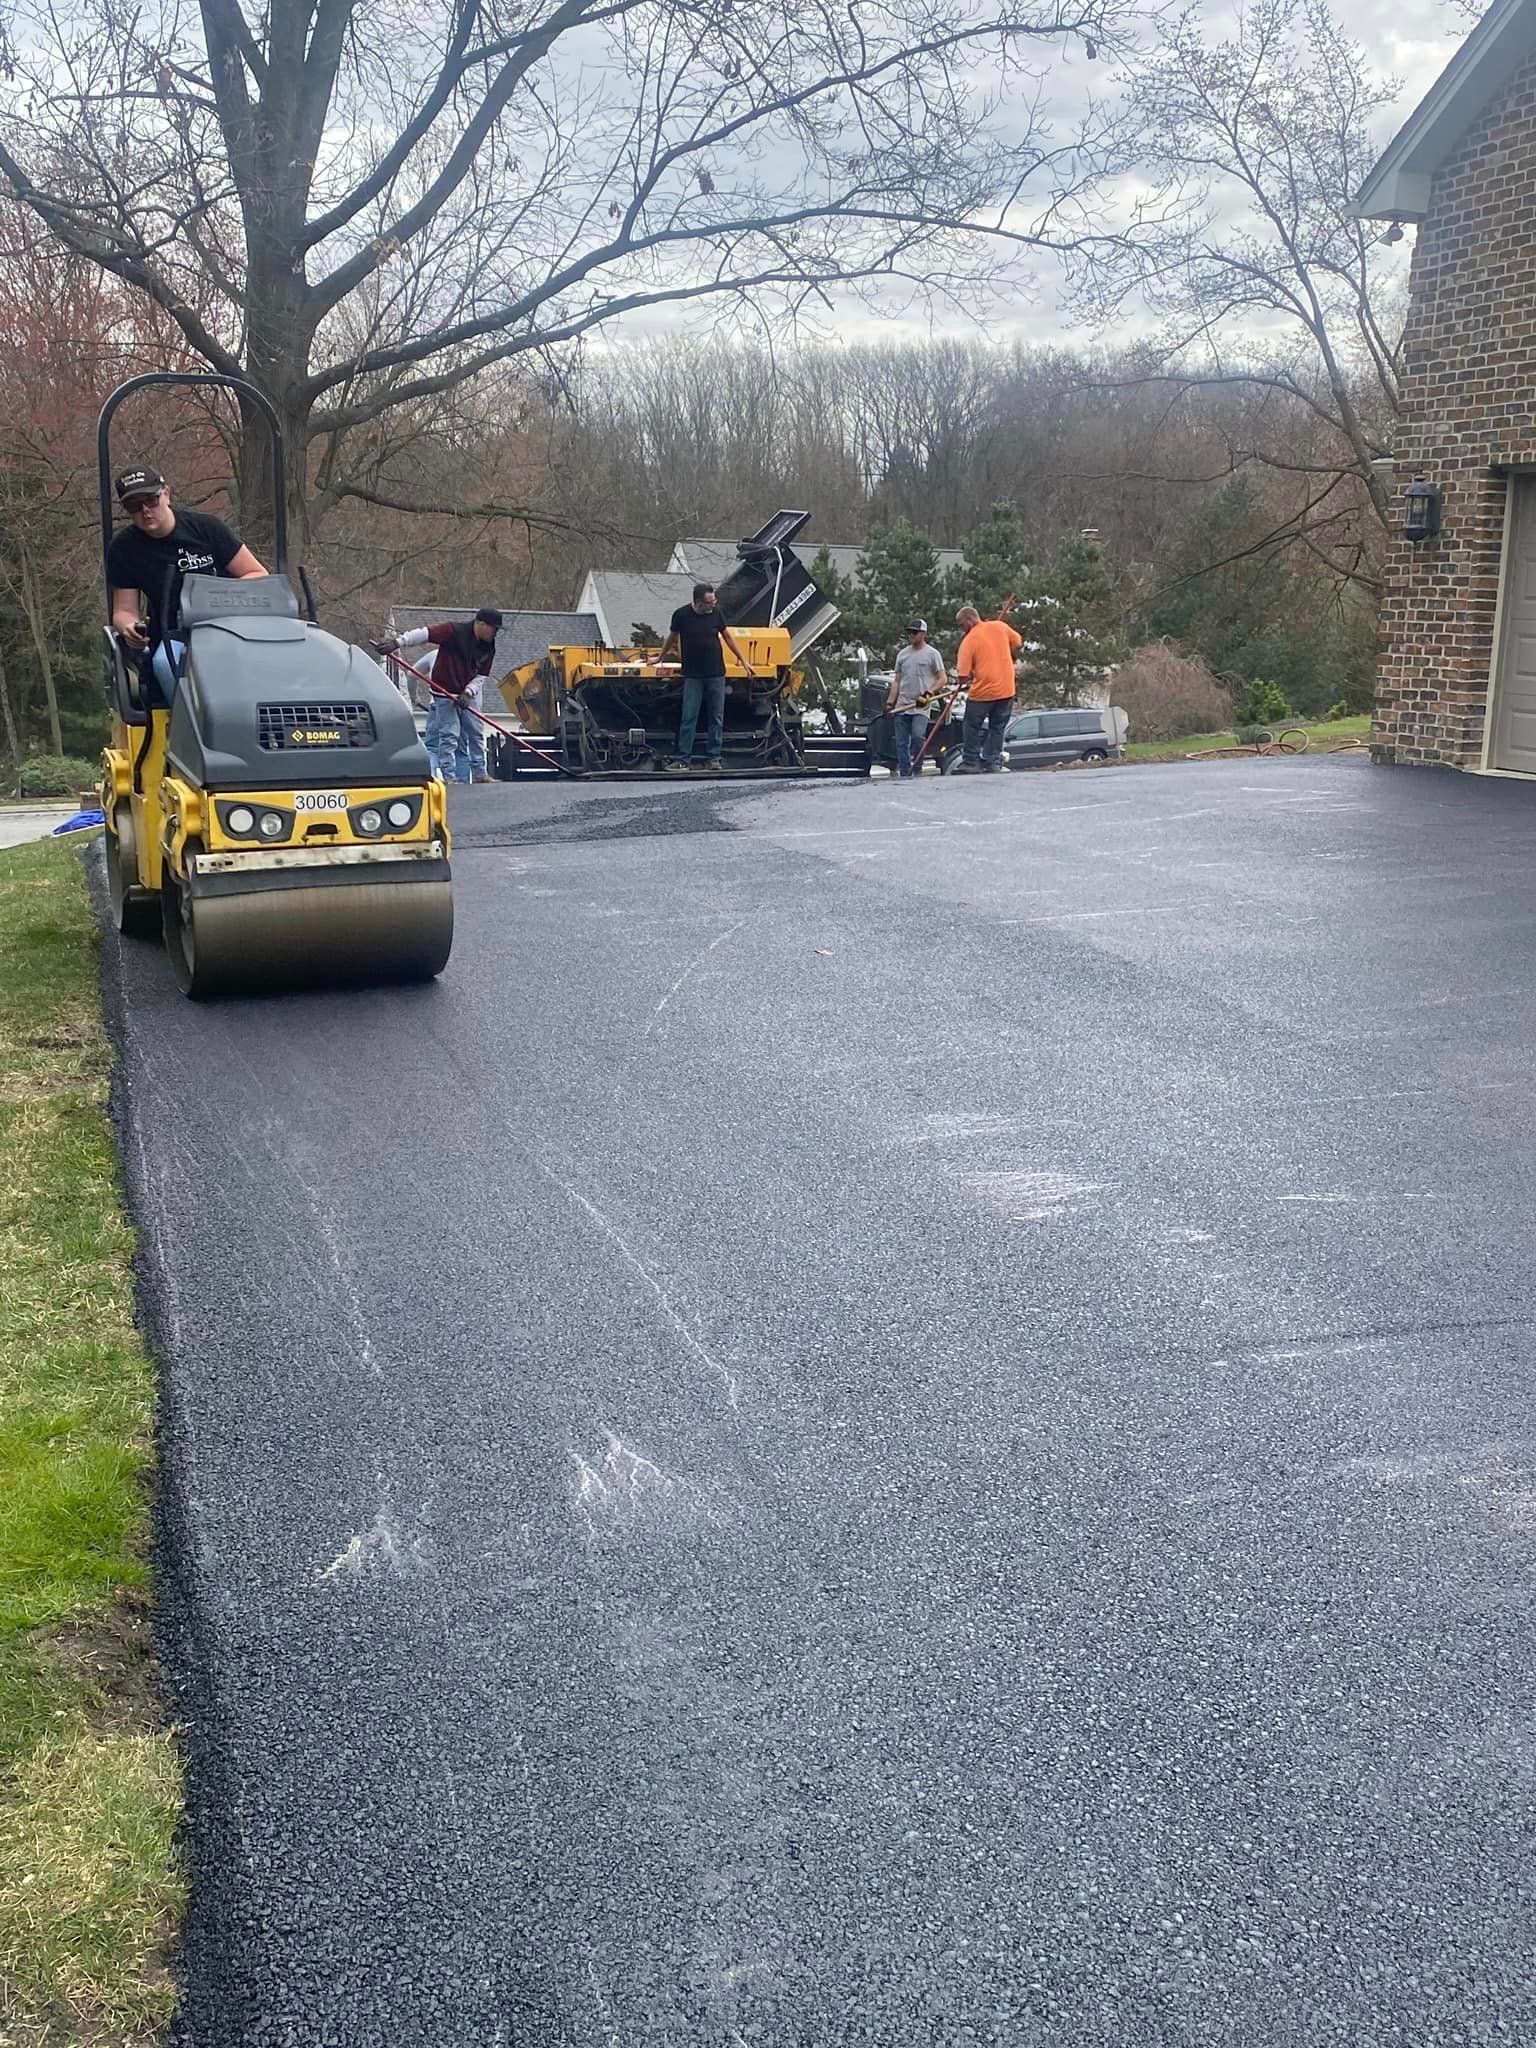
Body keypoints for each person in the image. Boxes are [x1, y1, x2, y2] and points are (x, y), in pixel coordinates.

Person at [106, 465, 268, 702]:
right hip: (175, 634)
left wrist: (221, 599)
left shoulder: (207, 529)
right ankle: (191, 728)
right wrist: (129, 628)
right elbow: (124, 611)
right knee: (164, 664)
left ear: (166, 494)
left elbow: (257, 574)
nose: (145, 511)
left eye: (151, 500)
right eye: (134, 506)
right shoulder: (124, 549)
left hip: (229, 629)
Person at [375, 609, 503, 784]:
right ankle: (449, 777)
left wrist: (468, 692)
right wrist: (397, 643)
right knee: (449, 735)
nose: (495, 632)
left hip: (468, 693)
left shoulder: (489, 646)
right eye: (493, 628)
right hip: (444, 691)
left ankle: (480, 773)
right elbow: (423, 634)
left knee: (475, 732)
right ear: (480, 624)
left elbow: (481, 675)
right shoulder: (453, 632)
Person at [658, 582, 751, 772]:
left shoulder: (717, 614)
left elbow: (727, 637)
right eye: (710, 602)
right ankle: (683, 758)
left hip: (716, 672)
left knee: (716, 717)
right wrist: (660, 657)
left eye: (714, 601)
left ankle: (714, 758)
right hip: (693, 674)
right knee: (688, 717)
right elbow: (672, 637)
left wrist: (743, 660)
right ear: (698, 603)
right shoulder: (681, 615)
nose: (713, 605)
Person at [952, 604, 1022, 773]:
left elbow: (962, 675)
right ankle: (992, 761)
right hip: (1006, 689)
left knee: (971, 725)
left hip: (982, 693)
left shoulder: (969, 641)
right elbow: (1018, 642)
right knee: (997, 727)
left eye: (962, 625)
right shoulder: (1000, 627)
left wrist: (969, 677)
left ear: (970, 619)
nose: (962, 629)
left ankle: (971, 761)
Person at [884, 618, 945, 778]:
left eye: (914, 632)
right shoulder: (902, 655)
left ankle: (917, 767)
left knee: (918, 737)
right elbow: (897, 681)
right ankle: (905, 772)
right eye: (909, 632)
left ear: (923, 634)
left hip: (921, 706)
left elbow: (942, 679)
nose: (910, 635)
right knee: (901, 743)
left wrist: (928, 694)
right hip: (902, 705)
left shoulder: (932, 654)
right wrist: (890, 703)